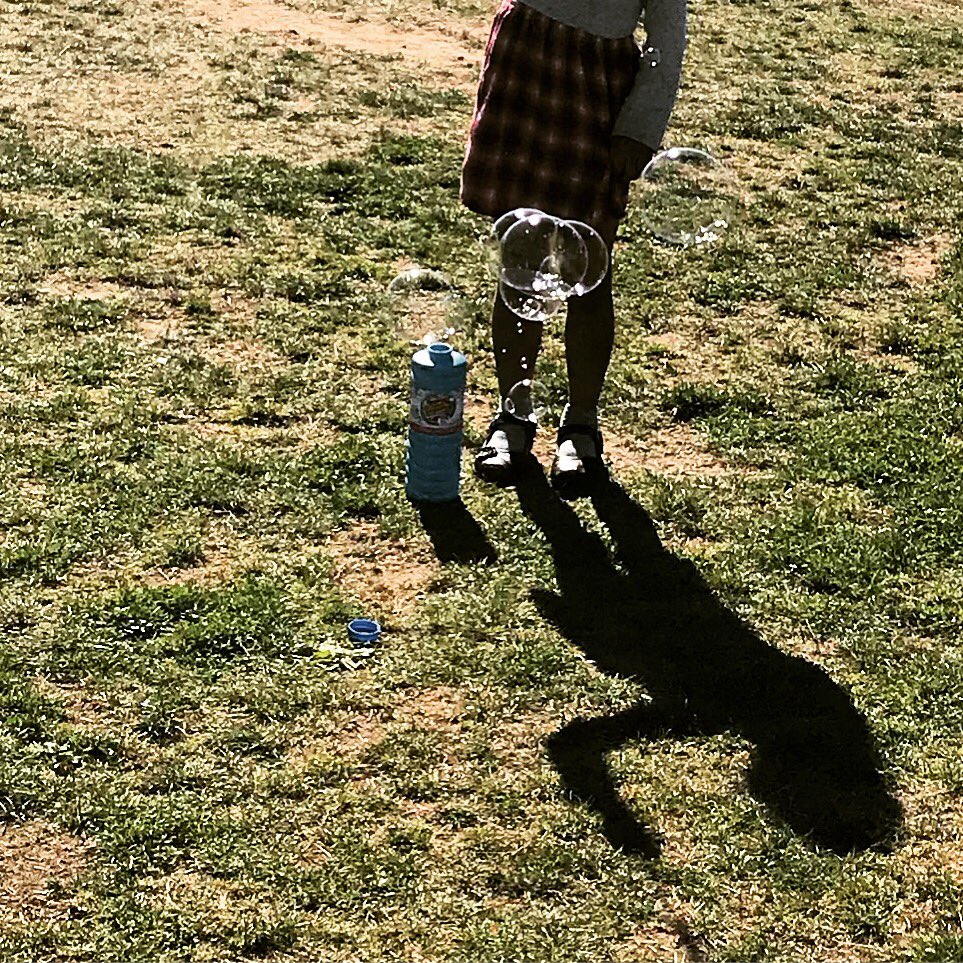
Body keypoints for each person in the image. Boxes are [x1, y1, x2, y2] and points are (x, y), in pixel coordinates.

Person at [461, 0, 687, 499]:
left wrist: (640, 127)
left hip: (596, 88)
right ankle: (513, 416)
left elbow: (667, 40)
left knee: (589, 268)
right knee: (521, 262)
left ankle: (581, 425)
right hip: (525, 64)